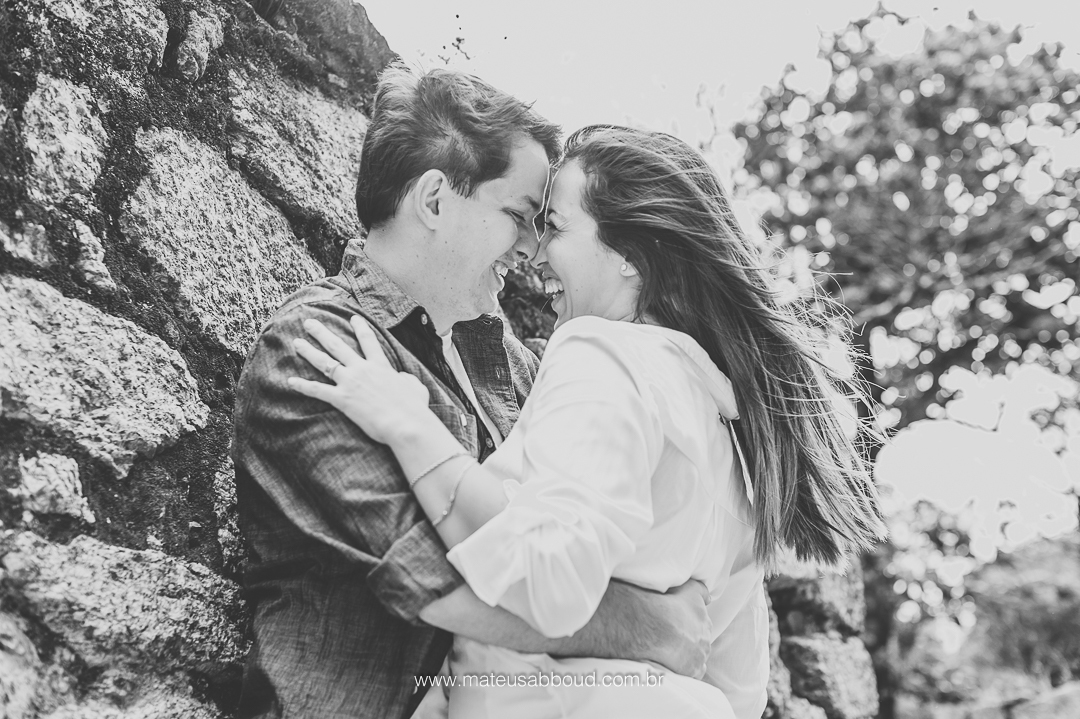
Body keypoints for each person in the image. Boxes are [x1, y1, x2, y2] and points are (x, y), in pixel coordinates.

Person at [289, 125, 888, 718]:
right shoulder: (741, 448)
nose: (535, 252)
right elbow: (738, 690)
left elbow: (541, 578)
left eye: (555, 225)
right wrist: (656, 633)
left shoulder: (600, 354)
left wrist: (411, 429)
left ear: (631, 256)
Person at [232, 70, 715, 719]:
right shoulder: (317, 349)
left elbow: (572, 542)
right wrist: (651, 625)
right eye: (518, 216)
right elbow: (446, 584)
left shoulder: (514, 361)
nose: (529, 247)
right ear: (434, 201)